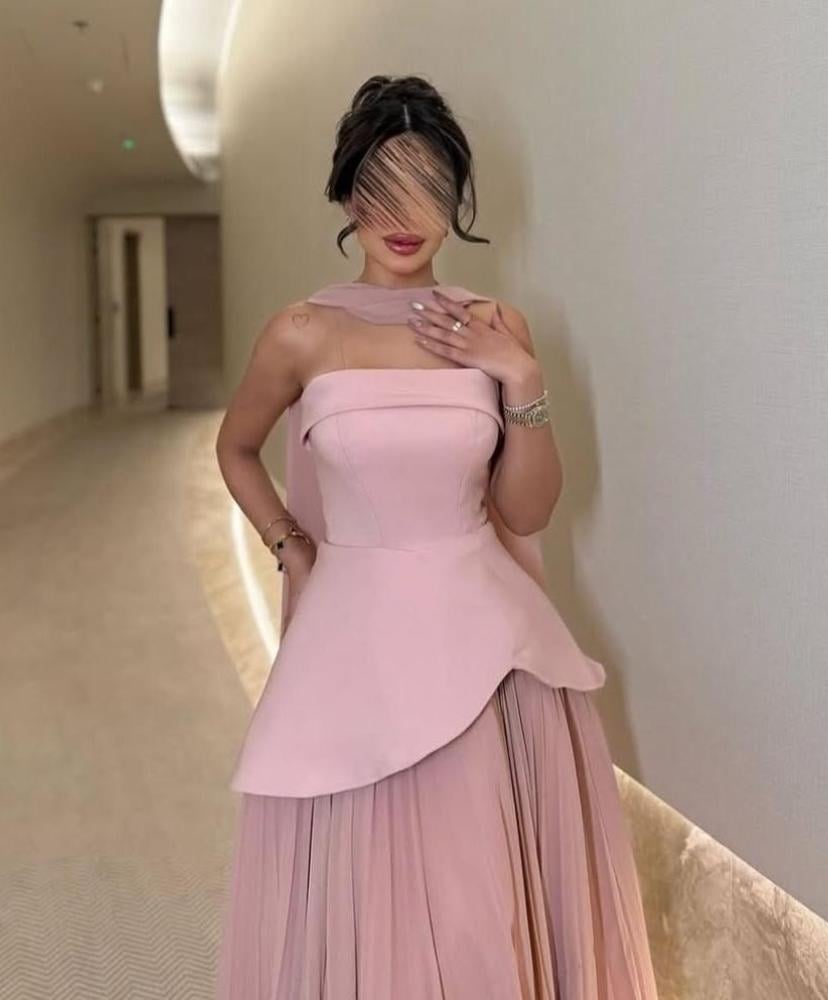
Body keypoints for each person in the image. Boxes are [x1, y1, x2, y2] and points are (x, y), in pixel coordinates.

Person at [213, 73, 659, 999]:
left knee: (476, 903)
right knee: (367, 899)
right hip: (355, 643)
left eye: (428, 186)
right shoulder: (302, 333)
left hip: (486, 648)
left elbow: (527, 513)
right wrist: (290, 544)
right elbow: (236, 447)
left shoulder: (495, 325)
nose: (404, 213)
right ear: (345, 195)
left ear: (457, 199)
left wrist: (520, 377)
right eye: (380, 185)